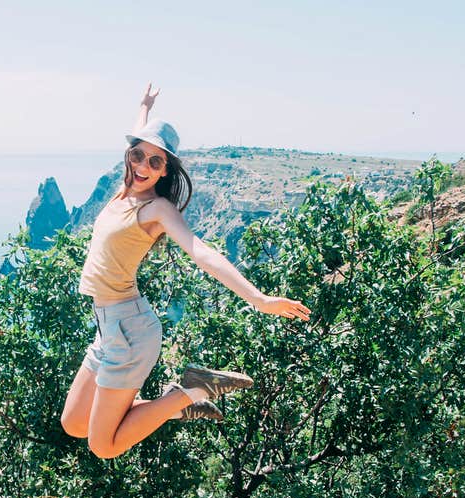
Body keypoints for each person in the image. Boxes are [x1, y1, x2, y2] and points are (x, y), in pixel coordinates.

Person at [59, 83, 312, 460]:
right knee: (74, 424)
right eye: (138, 155)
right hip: (108, 326)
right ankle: (177, 406)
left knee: (104, 445)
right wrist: (144, 107)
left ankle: (190, 390)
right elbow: (138, 136)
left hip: (130, 331)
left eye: (155, 162)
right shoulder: (124, 190)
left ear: (164, 171)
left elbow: (201, 252)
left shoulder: (155, 209)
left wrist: (258, 299)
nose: (143, 165)